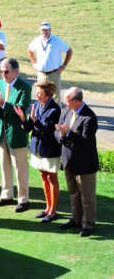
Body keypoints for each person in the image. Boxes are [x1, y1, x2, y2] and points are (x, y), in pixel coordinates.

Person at [0, 58, 31, 212]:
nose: (3, 74)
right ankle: (6, 195)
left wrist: (2, 104)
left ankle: (23, 199)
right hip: (1, 132)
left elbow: (21, 108)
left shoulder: (24, 87)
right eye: (1, 72)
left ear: (15, 72)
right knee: (4, 166)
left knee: (20, 168)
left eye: (6, 71)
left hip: (16, 133)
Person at [14, 82, 61, 222]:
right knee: (43, 176)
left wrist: (34, 120)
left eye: (39, 93)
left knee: (52, 178)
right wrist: (23, 118)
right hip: (38, 148)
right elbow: (29, 129)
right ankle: (47, 208)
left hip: (50, 150)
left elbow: (48, 132)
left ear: (47, 95)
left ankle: (52, 212)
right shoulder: (38, 105)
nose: (36, 95)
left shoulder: (55, 110)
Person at [54, 87, 98, 237]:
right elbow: (57, 131)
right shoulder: (66, 112)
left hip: (84, 165)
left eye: (68, 102)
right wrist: (61, 135)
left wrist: (68, 134)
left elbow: (86, 142)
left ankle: (88, 225)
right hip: (68, 161)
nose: (65, 104)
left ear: (77, 101)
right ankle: (76, 219)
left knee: (87, 197)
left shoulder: (89, 117)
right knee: (73, 194)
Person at [28, 22, 72, 105]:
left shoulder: (57, 41)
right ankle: (41, 115)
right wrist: (33, 62)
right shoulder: (37, 40)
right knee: (41, 94)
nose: (44, 32)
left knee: (55, 96)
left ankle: (57, 116)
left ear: (50, 30)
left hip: (54, 73)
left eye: (46, 30)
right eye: (42, 30)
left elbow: (69, 51)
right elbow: (30, 50)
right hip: (41, 73)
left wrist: (63, 66)